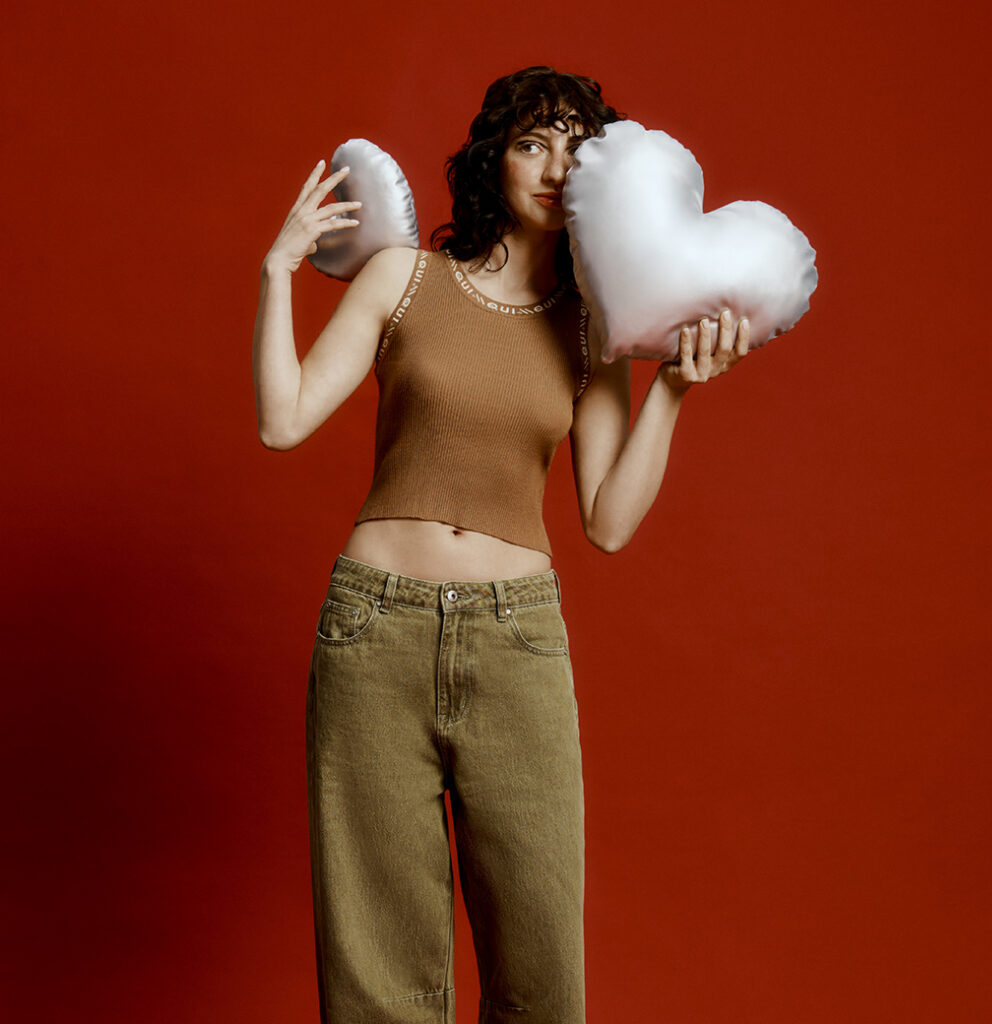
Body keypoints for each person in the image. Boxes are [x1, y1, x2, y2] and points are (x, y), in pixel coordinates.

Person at [253, 66, 749, 1024]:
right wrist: (278, 271)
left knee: (540, 973)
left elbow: (607, 523)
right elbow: (284, 420)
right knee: (377, 975)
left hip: (514, 641)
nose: (556, 168)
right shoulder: (404, 278)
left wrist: (673, 391)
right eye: (532, 143)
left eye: (576, 150)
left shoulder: (594, 328)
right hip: (372, 633)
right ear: (495, 160)